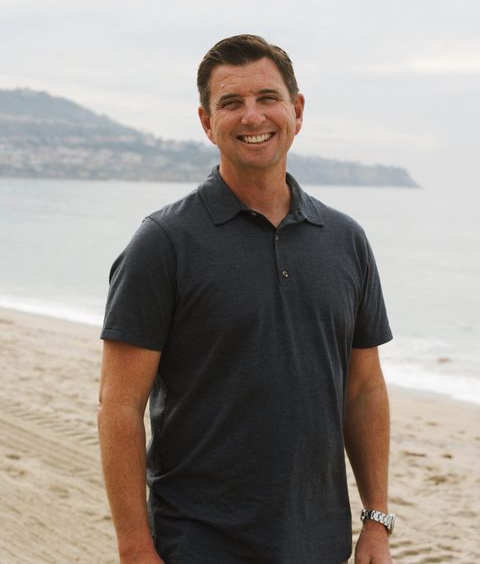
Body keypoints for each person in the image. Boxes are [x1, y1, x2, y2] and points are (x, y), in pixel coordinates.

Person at [98, 34, 395, 564]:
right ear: (206, 122)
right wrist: (135, 548)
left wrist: (376, 519)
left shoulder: (345, 240)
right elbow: (119, 406)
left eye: (267, 98)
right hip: (199, 543)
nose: (252, 116)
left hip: (320, 543)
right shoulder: (163, 243)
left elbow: (364, 387)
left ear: (296, 111)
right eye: (231, 102)